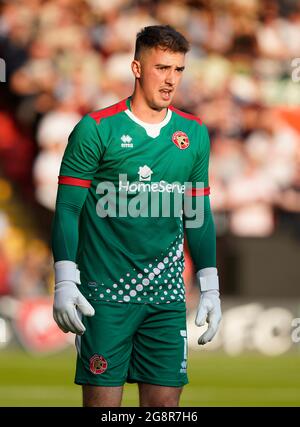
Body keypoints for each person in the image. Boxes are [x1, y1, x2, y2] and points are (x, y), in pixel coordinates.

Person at [52, 25, 221, 407]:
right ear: (136, 68)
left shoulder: (193, 134)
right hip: (105, 296)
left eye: (178, 70)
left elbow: (198, 214)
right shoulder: (97, 129)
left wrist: (209, 284)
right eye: (161, 68)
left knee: (164, 409)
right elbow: (67, 208)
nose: (171, 79)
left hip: (166, 298)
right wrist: (64, 279)